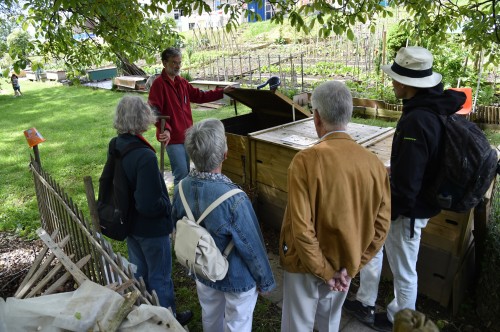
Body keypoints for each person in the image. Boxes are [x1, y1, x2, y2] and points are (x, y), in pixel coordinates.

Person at [343, 46, 467, 332]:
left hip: (407, 210)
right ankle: (366, 302)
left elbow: (409, 185)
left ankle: (400, 320)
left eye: (397, 78)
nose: (393, 82)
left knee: (404, 271)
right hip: (409, 204)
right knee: (375, 250)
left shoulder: (417, 120)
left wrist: (388, 211)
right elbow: (417, 164)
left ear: (408, 84)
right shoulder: (428, 109)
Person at [279, 81, 392, 332]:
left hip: (304, 266)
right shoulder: (375, 165)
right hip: (345, 264)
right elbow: (381, 229)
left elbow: (301, 228)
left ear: (316, 117)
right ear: (348, 114)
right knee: (330, 324)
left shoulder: (305, 161)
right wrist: (351, 267)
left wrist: (325, 271)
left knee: (297, 326)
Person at [171, 118, 276, 332]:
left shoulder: (180, 188)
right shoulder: (234, 199)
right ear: (225, 155)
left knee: (210, 315)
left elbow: (178, 224)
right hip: (237, 278)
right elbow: (252, 246)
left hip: (204, 270)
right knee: (237, 324)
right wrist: (265, 281)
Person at [111, 95, 193, 326]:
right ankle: (168, 321)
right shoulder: (144, 156)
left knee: (140, 274)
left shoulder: (118, 144)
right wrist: (167, 206)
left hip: (130, 224)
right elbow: (148, 204)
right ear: (142, 117)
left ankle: (145, 315)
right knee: (160, 277)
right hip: (150, 229)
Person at [148, 47, 235, 186]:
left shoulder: (182, 82)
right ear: (164, 63)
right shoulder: (158, 85)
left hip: (188, 136)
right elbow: (153, 110)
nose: (177, 66)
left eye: (179, 62)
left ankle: (186, 200)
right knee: (181, 174)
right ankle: (178, 205)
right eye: (174, 62)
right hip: (172, 138)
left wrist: (221, 92)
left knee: (188, 172)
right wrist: (166, 129)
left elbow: (199, 96)